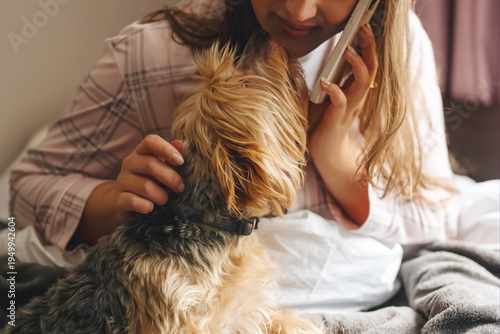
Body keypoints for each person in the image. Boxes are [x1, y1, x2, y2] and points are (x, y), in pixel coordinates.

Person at [9, 0, 498, 313]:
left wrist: (338, 159)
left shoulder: (399, 52)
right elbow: (25, 186)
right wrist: (111, 202)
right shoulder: (152, 56)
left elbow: (441, 215)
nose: (299, 10)